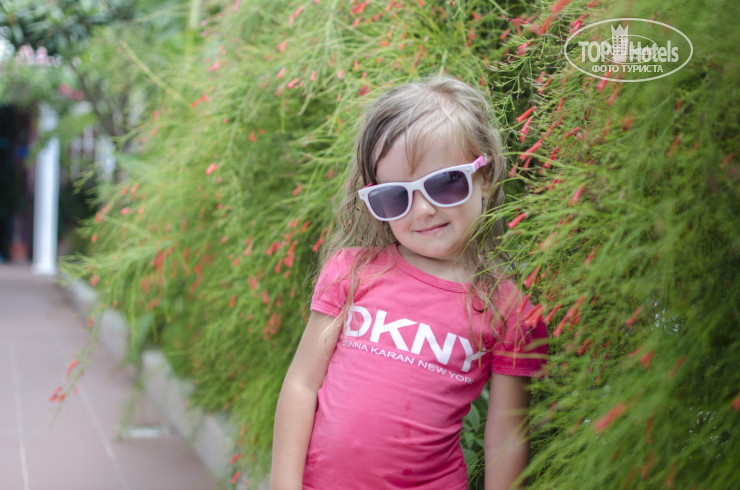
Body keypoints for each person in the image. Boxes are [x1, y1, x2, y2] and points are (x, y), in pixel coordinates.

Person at [271, 75, 548, 489]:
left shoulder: (507, 309)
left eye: (444, 184)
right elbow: (301, 384)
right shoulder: (353, 271)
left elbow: (505, 439)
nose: (421, 211)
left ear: (485, 176)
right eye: (395, 196)